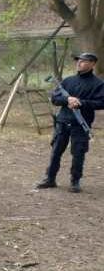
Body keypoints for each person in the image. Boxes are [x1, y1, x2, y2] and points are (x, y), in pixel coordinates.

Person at [36, 52, 104, 193]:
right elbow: (55, 99)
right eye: (78, 60)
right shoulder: (68, 81)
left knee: (78, 153)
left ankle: (75, 181)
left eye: (83, 61)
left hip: (80, 125)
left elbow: (101, 102)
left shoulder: (98, 84)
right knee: (56, 152)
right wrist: (67, 100)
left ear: (92, 64)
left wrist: (81, 102)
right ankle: (50, 178)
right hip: (62, 122)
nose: (79, 63)